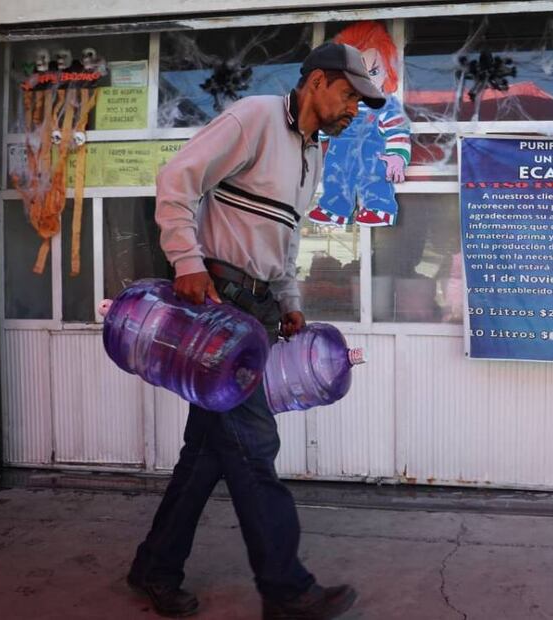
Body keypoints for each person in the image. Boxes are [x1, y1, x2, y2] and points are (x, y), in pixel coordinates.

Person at [126, 42, 386, 619]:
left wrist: (289, 300)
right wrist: (186, 261)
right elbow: (177, 178)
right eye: (348, 95)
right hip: (217, 310)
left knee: (207, 454)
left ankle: (154, 567)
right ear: (317, 82)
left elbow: (287, 239)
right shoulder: (256, 117)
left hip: (259, 311)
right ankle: (286, 590)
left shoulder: (312, 154)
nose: (353, 110)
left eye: (360, 103)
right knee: (253, 445)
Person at [307, 21, 410, 227]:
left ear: (387, 71)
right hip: (340, 154)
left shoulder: (386, 104)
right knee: (334, 177)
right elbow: (324, 129)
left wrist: (398, 156)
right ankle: (334, 210)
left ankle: (380, 209)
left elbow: (398, 131)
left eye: (372, 72)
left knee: (375, 176)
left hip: (372, 154)